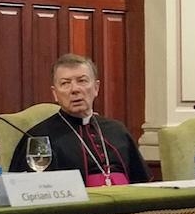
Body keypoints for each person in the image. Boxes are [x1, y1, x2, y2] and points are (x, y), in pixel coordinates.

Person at [8, 54, 151, 186]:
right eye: (65, 83)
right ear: (55, 94)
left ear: (96, 88)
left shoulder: (117, 130)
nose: (74, 89)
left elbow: (143, 183)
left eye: (82, 81)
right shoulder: (38, 137)